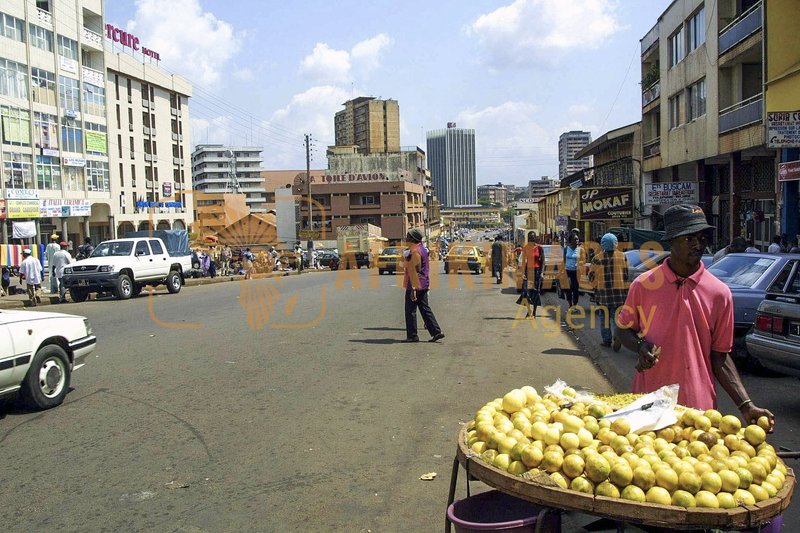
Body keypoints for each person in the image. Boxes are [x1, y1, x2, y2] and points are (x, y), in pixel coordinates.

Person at [615, 204, 774, 429]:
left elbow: (721, 357)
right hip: (648, 404)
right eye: (689, 239)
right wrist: (640, 346)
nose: (698, 245)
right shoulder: (643, 285)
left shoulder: (719, 293)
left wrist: (745, 404)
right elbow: (622, 329)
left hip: (698, 409)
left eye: (702, 237)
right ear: (671, 240)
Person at [402, 228, 444, 343]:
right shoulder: (422, 249)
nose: (406, 239)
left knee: (410, 310)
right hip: (424, 283)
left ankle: (412, 335)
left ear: (413, 239)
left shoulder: (415, 251)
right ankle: (436, 332)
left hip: (416, 284)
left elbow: (416, 269)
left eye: (408, 237)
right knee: (425, 308)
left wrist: (413, 289)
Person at [589, 233, 629, 349]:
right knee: (616, 318)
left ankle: (607, 340)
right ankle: (618, 337)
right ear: (616, 243)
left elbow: (591, 277)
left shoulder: (597, 258)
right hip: (619, 294)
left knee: (604, 318)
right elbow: (626, 275)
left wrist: (595, 287)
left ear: (603, 244)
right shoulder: (623, 256)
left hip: (603, 295)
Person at [518, 231, 544, 318]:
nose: (531, 239)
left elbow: (543, 261)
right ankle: (529, 310)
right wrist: (522, 273)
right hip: (528, 271)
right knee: (527, 292)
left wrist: (542, 272)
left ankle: (534, 312)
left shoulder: (540, 248)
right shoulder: (525, 248)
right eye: (530, 238)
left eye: (533, 237)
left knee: (536, 292)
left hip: (537, 271)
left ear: (535, 238)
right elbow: (524, 261)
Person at [562, 233, 584, 307]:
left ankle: (575, 304)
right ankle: (570, 304)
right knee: (568, 288)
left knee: (575, 289)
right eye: (575, 239)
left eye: (577, 239)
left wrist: (579, 263)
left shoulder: (580, 249)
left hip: (576, 272)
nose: (577, 241)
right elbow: (563, 260)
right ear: (571, 240)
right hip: (567, 271)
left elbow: (583, 260)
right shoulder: (566, 249)